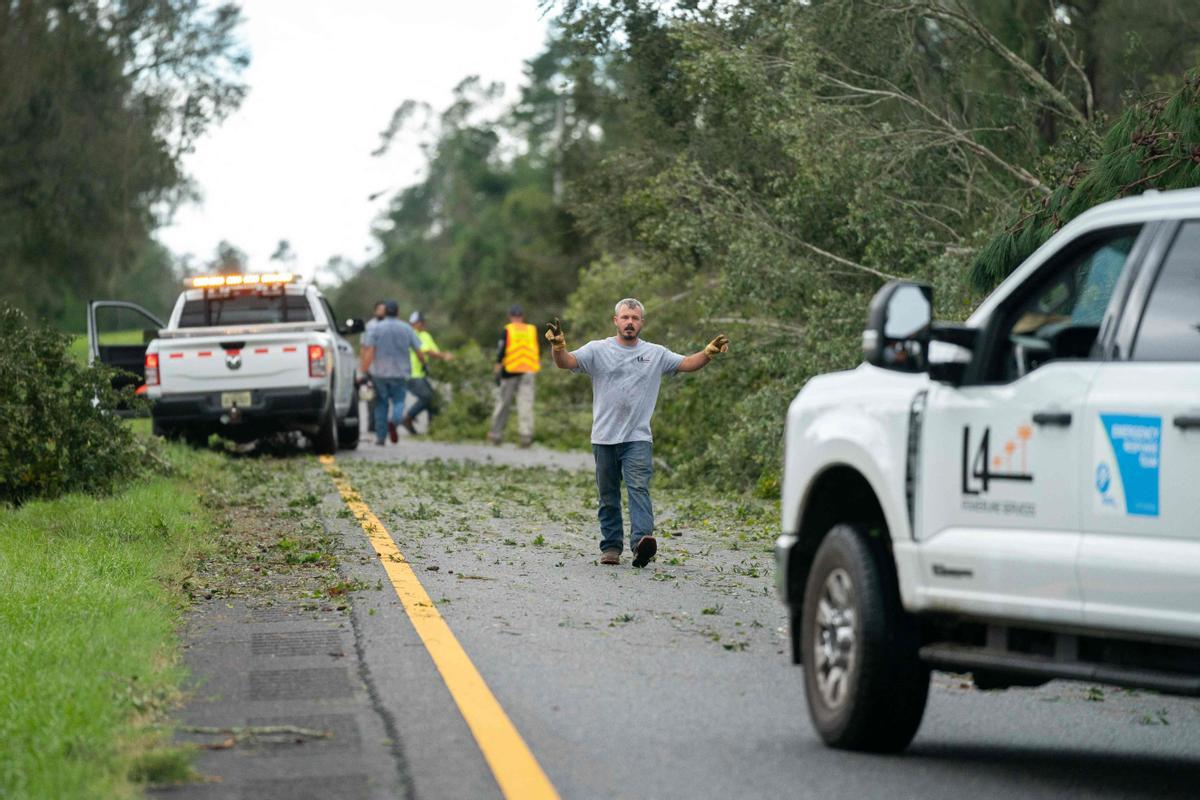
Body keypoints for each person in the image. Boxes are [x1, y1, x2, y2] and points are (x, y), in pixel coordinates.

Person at [547, 298, 728, 567]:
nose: (630, 322)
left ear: (641, 322)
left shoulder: (656, 353)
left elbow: (688, 363)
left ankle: (642, 542)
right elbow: (566, 362)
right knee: (608, 495)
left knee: (638, 488)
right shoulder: (598, 350)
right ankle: (610, 548)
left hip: (638, 437)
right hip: (604, 437)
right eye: (625, 317)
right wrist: (558, 346)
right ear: (615, 321)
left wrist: (708, 353)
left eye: (634, 318)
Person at [359, 301, 424, 445]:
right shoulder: (407, 328)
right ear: (398, 312)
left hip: (379, 373)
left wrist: (363, 371)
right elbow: (418, 350)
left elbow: (369, 351)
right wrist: (424, 363)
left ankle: (381, 437)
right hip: (400, 373)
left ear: (385, 312)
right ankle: (394, 421)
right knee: (399, 401)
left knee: (381, 404)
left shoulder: (375, 328)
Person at [488, 303, 540, 447]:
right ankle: (526, 436)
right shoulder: (531, 330)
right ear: (522, 316)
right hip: (529, 370)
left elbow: (501, 350)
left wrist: (497, 367)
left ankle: (496, 434)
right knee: (526, 404)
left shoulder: (508, 329)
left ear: (510, 316)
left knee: (503, 403)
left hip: (510, 371)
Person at [401, 310, 454, 434]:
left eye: (423, 322)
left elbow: (434, 351)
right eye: (419, 322)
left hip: (421, 373)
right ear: (414, 323)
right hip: (412, 374)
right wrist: (444, 356)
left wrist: (442, 358)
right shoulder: (411, 335)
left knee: (433, 400)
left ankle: (434, 427)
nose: (423, 324)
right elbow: (427, 352)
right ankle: (408, 418)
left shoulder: (425, 335)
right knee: (427, 397)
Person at [363, 301, 387, 435]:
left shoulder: (389, 326)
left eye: (384, 310)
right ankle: (371, 424)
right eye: (380, 310)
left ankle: (380, 425)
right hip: (372, 366)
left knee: (383, 397)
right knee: (370, 396)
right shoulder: (370, 326)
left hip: (385, 368)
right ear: (375, 311)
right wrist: (364, 367)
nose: (382, 312)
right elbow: (364, 347)